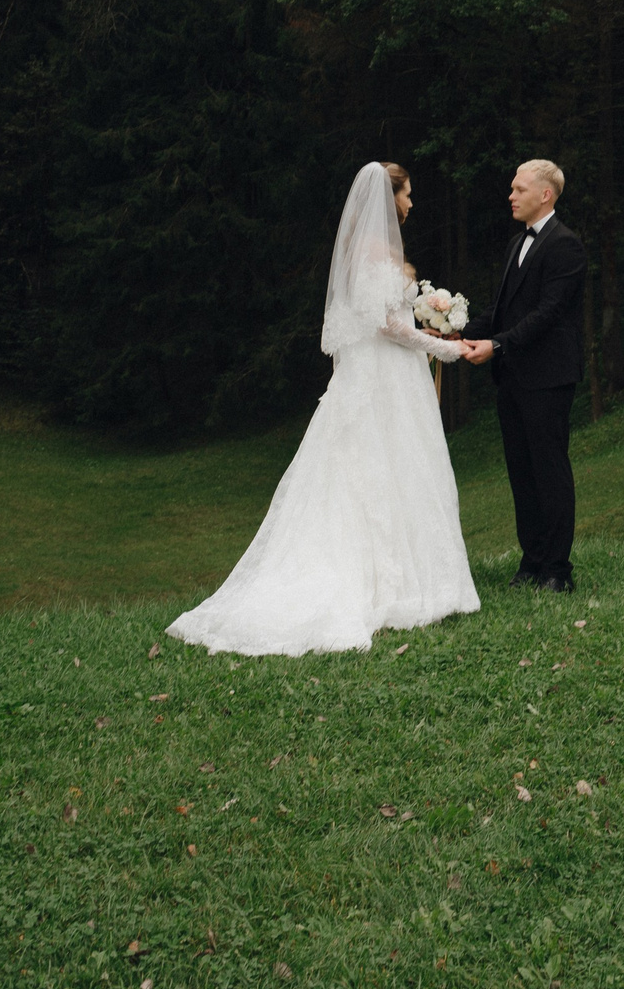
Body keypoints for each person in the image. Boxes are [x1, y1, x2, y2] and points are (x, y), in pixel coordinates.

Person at [167, 162, 480, 655]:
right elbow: (388, 326)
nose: (411, 204)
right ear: (388, 197)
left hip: (373, 375)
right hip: (386, 376)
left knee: (375, 470)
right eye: (407, 194)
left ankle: (395, 578)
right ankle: (389, 586)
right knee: (386, 468)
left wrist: (427, 322)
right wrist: (442, 347)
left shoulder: (364, 251)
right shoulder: (380, 252)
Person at [462, 158, 586, 591]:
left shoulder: (566, 245)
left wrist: (496, 345)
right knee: (521, 472)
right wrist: (453, 333)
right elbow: (502, 310)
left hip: (548, 377)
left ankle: (558, 570)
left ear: (545, 194)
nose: (510, 196)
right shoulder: (517, 244)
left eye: (518, 189)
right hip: (513, 377)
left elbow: (547, 315)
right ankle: (531, 562)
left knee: (549, 471)